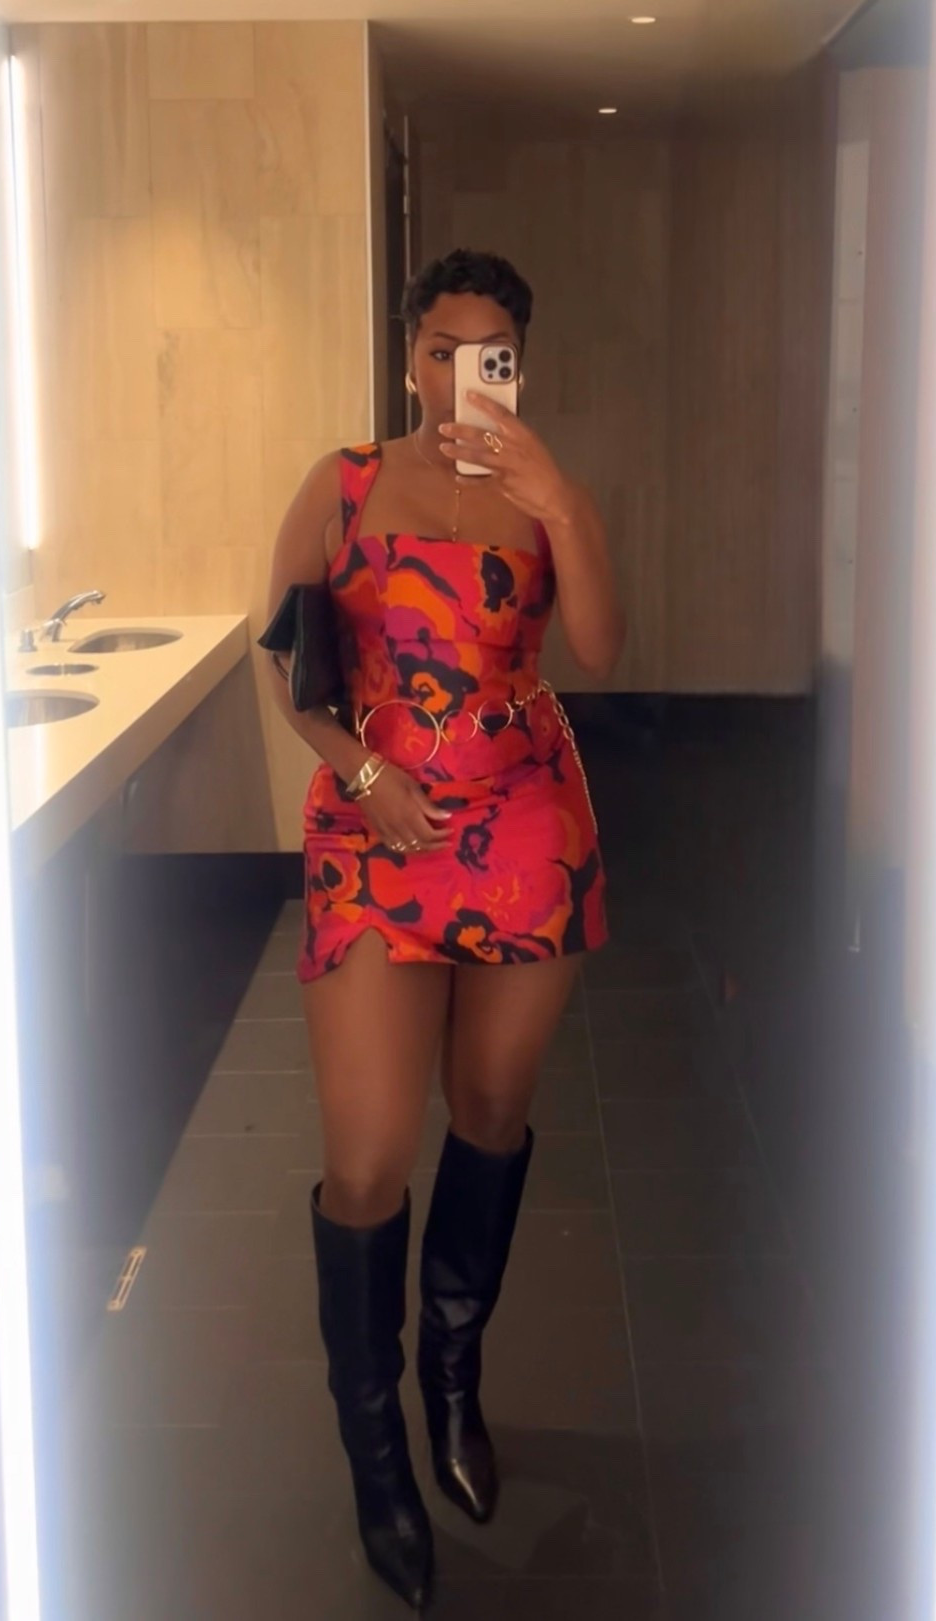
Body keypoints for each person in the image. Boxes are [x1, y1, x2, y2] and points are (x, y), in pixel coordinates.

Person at [265, 248, 624, 1611]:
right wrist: (362, 773)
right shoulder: (346, 482)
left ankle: (454, 1382)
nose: (462, 374)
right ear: (411, 356)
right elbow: (291, 662)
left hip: (527, 826)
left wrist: (563, 504)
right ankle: (376, 1459)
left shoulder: (546, 493)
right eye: (441, 348)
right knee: (365, 1161)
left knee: (489, 1109)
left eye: (492, 353)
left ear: (518, 362)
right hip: (378, 827)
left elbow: (601, 648)